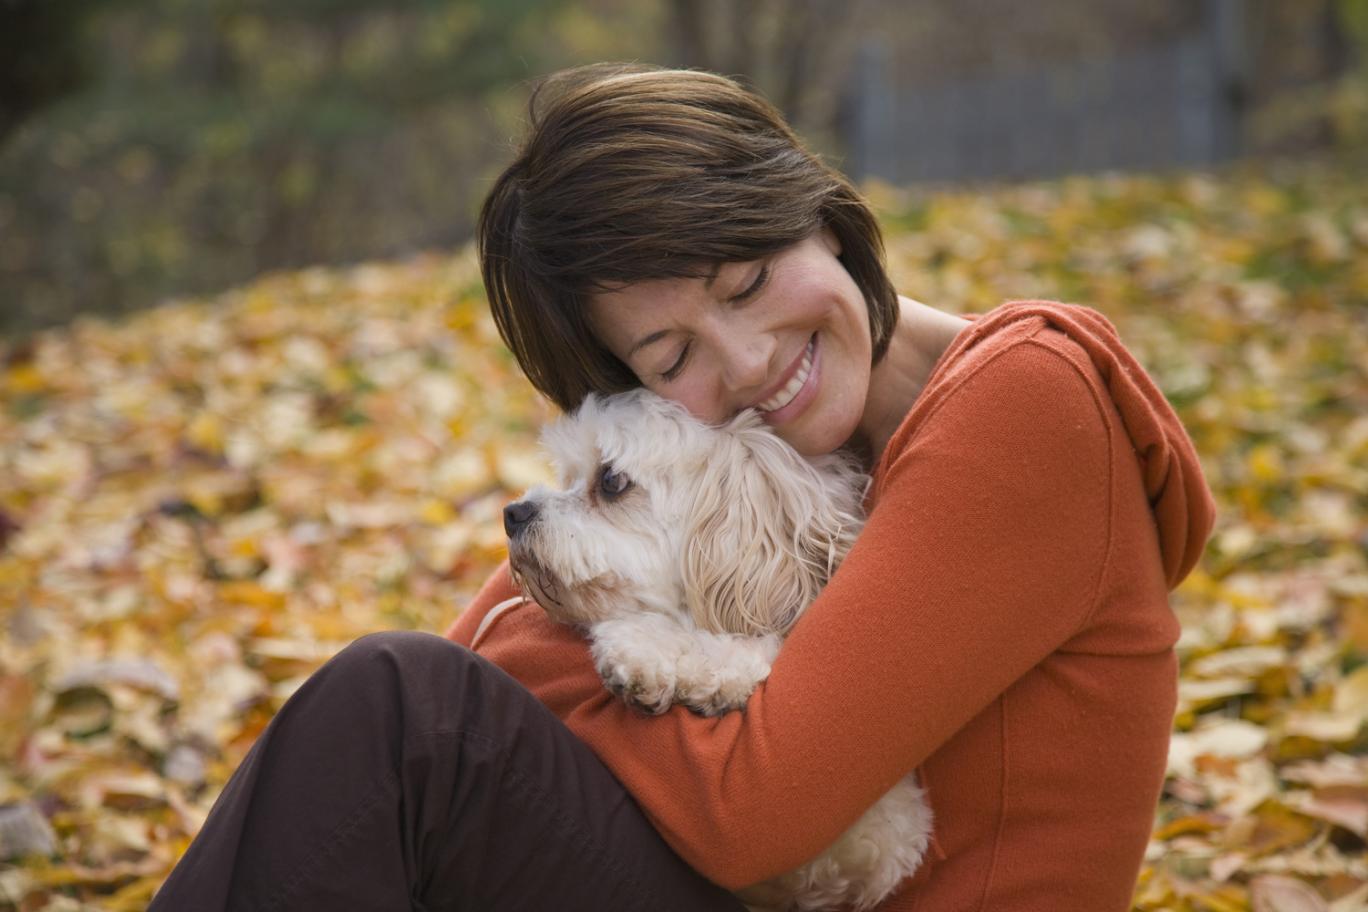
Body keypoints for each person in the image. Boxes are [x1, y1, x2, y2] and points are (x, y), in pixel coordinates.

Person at [150, 63, 1215, 911]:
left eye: (747, 282)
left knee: (410, 714)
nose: (746, 362)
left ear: (824, 215)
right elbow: (497, 634)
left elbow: (761, 810)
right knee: (401, 729)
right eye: (670, 359)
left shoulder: (1021, 405)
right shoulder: (782, 448)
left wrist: (527, 643)